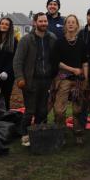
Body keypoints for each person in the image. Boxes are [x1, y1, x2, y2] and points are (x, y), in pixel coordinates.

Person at [13, 12, 58, 146]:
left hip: (47, 79)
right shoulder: (26, 40)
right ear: (35, 22)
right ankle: (25, 134)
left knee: (43, 109)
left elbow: (55, 59)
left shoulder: (52, 38)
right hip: (31, 80)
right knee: (30, 110)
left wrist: (54, 77)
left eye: (45, 21)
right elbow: (18, 60)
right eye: (41, 21)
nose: (43, 23)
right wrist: (20, 78)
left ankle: (38, 132)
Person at [51, 14, 89, 144]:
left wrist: (86, 79)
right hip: (63, 78)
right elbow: (57, 62)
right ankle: (60, 133)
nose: (71, 24)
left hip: (78, 80)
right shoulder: (59, 42)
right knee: (59, 110)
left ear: (77, 25)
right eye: (69, 22)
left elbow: (84, 62)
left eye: (73, 22)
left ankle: (78, 133)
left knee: (78, 109)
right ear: (65, 25)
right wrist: (72, 69)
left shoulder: (81, 43)